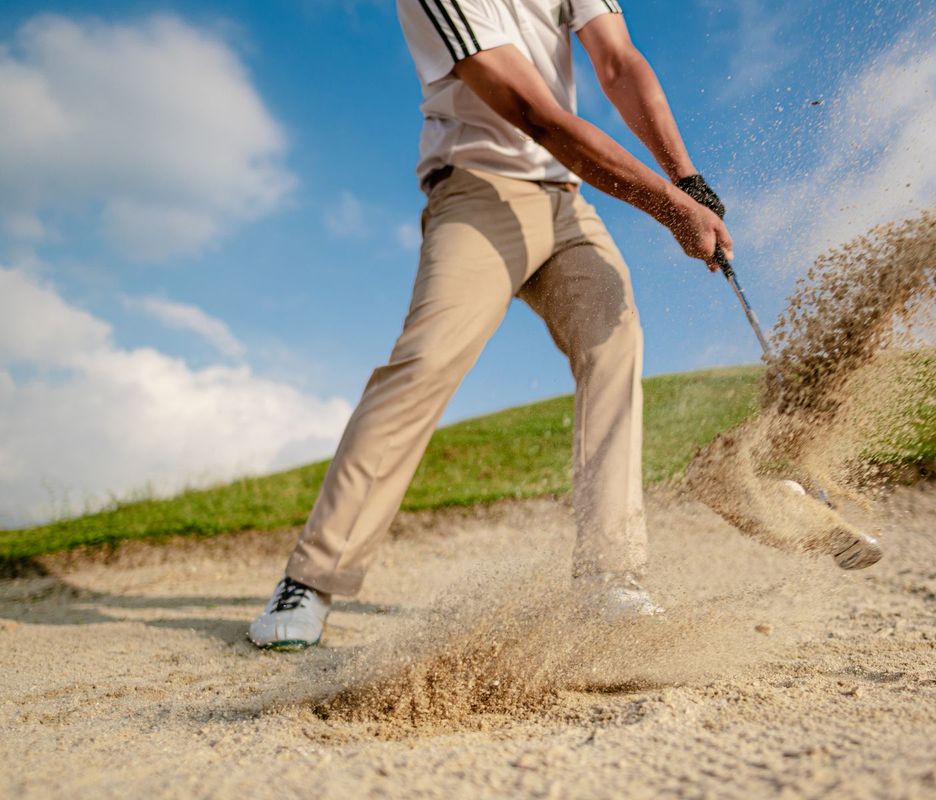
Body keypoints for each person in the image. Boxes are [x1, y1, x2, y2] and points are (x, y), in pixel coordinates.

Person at [248, 0, 732, 649]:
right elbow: (538, 114)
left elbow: (618, 62)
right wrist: (671, 209)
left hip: (568, 202)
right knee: (428, 361)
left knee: (614, 343)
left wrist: (689, 180)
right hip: (477, 192)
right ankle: (312, 579)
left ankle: (608, 576)